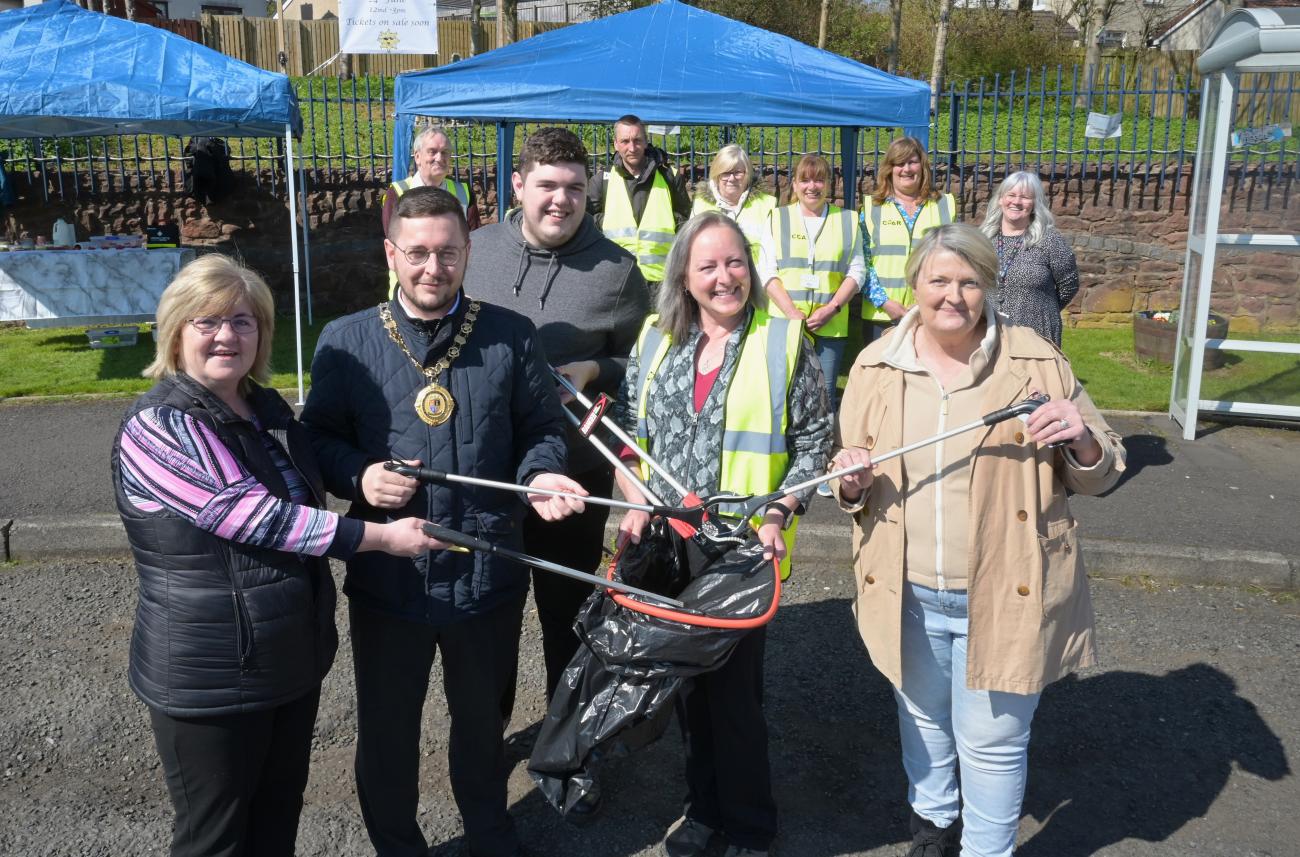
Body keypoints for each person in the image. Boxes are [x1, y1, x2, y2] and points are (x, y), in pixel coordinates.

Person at [111, 254, 442, 857]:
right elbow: (251, 517)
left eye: (243, 321)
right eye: (206, 321)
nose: (226, 335)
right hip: (207, 674)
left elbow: (310, 481)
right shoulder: (156, 426)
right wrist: (381, 538)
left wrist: (370, 472)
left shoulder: (265, 411)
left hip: (286, 659)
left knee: (276, 821)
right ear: (176, 330)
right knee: (214, 836)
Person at [301, 186, 587, 857]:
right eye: (419, 252)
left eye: (449, 251)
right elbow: (315, 439)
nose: (434, 266)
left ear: (467, 250)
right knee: (389, 730)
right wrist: (358, 475)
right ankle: (398, 844)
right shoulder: (346, 341)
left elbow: (542, 430)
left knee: (483, 727)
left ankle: (489, 831)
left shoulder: (510, 334)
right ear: (392, 253)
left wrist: (541, 473)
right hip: (390, 578)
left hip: (487, 575)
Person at [830, 224, 1125, 857]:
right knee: (925, 723)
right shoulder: (876, 365)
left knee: (992, 743)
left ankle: (987, 851)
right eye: (938, 280)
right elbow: (851, 484)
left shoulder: (1035, 361)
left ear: (989, 286)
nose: (953, 296)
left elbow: (1101, 471)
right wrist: (850, 483)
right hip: (906, 591)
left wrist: (1080, 434)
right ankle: (933, 829)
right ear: (915, 284)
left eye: (968, 281)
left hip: (1005, 589)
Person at [613, 212, 832, 857]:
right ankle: (703, 809)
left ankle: (750, 827)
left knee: (734, 699)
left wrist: (777, 515)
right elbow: (627, 436)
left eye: (734, 262)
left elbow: (815, 442)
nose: (724, 277)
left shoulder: (784, 341)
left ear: (751, 268)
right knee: (686, 690)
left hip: (741, 550)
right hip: (669, 545)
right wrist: (634, 501)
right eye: (707, 266)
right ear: (684, 275)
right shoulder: (655, 338)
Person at [462, 127, 649, 774]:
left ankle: (566, 744)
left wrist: (595, 370)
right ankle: (485, 740)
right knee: (490, 618)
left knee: (566, 617)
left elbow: (638, 361)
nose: (561, 200)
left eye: (574, 187)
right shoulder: (475, 250)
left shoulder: (618, 271)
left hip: (574, 474)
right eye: (547, 185)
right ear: (517, 186)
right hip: (487, 477)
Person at [758, 153, 864, 413]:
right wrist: (791, 312)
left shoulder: (848, 220)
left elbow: (857, 271)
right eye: (805, 180)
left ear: (829, 184)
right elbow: (766, 271)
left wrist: (833, 308)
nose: (812, 186)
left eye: (819, 180)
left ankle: (821, 450)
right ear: (794, 185)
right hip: (785, 322)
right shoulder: (777, 218)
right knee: (783, 391)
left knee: (824, 394)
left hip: (831, 325)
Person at [860, 137, 957, 343]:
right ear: (889, 169)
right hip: (882, 314)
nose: (906, 169)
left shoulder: (943, 205)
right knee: (881, 375)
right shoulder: (871, 208)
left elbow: (954, 261)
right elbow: (862, 263)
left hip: (931, 310)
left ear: (922, 167)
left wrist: (924, 303)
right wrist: (884, 302)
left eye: (912, 162)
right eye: (899, 163)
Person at [588, 114, 692, 293]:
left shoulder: (669, 176)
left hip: (662, 282)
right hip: (616, 281)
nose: (632, 147)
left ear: (646, 142)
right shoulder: (602, 179)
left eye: (637, 140)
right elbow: (585, 222)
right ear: (616, 144)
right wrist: (604, 221)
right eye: (625, 141)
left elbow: (686, 222)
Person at [979, 171, 1080, 346]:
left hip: (1037, 334)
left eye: (1025, 197)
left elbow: (1069, 285)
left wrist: (1042, 308)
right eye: (1011, 195)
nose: (1016, 202)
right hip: (990, 332)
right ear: (1000, 199)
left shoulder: (1049, 241)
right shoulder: (983, 239)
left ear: (1034, 204)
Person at [381, 125, 482, 297]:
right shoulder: (397, 193)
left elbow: (475, 238)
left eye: (445, 152)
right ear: (418, 156)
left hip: (454, 287)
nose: (439, 158)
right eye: (432, 151)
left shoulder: (463, 192)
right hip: (409, 289)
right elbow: (395, 241)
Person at [691, 144, 778, 259]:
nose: (732, 178)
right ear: (716, 175)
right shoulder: (700, 204)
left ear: (747, 174)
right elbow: (691, 249)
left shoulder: (767, 204)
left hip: (756, 276)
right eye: (726, 173)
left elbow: (773, 255)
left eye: (738, 172)